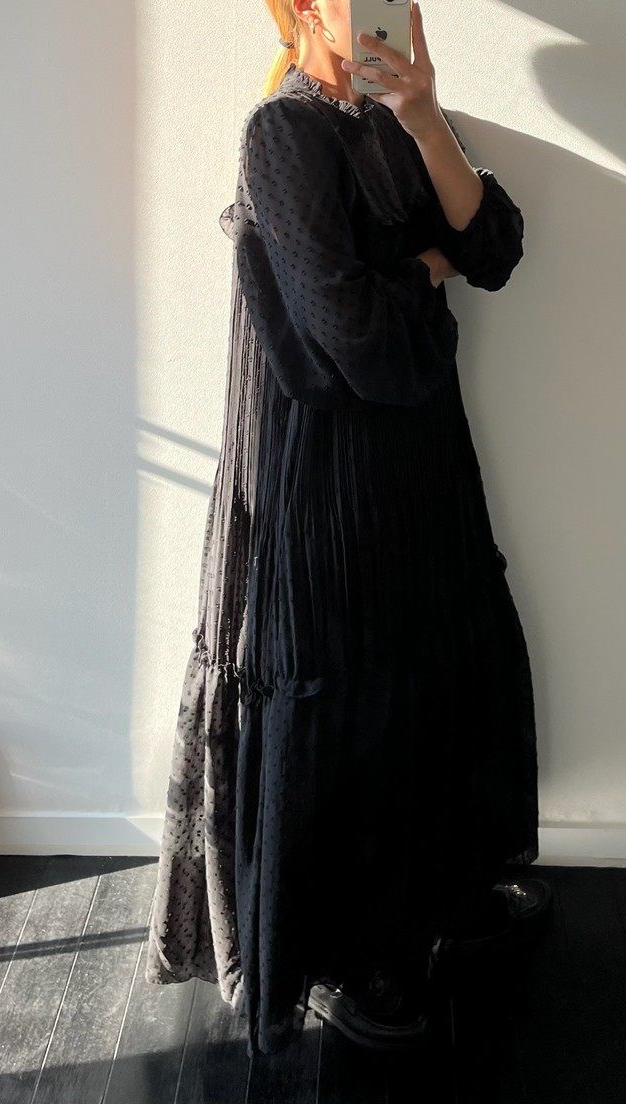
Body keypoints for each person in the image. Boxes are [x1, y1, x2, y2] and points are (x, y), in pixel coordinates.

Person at [145, 0, 541, 1057]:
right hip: (330, 471)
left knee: (431, 670)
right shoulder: (282, 133)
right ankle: (354, 953)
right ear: (306, 9)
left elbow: (496, 246)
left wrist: (426, 117)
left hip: (422, 455)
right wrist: (424, 269)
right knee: (355, 694)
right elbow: (350, 331)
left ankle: (435, 899)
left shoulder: (395, 125)